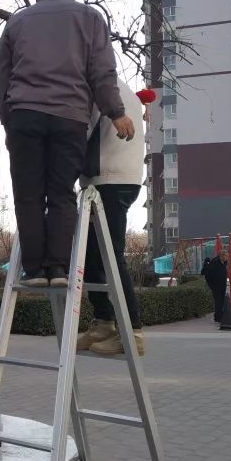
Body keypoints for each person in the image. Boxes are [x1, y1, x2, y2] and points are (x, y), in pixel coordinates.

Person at [0, 0, 135, 286]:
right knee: (60, 192)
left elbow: (0, 78)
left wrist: (9, 122)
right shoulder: (89, 18)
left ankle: (32, 271)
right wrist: (116, 112)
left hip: (24, 115)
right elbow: (102, 71)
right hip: (69, 117)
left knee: (28, 194)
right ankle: (57, 268)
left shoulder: (17, 21)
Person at [76, 80, 146, 356]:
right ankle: (104, 322)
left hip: (107, 178)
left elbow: (79, 130)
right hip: (121, 177)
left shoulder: (98, 87)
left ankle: (132, 331)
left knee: (111, 256)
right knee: (94, 255)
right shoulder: (125, 90)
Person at [203, 253, 230, 326]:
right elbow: (208, 275)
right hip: (216, 287)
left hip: (222, 286)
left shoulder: (223, 263)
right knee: (218, 302)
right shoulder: (215, 264)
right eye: (226, 256)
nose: (228, 257)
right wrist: (212, 286)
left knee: (221, 302)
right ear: (222, 256)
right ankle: (217, 318)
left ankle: (219, 316)